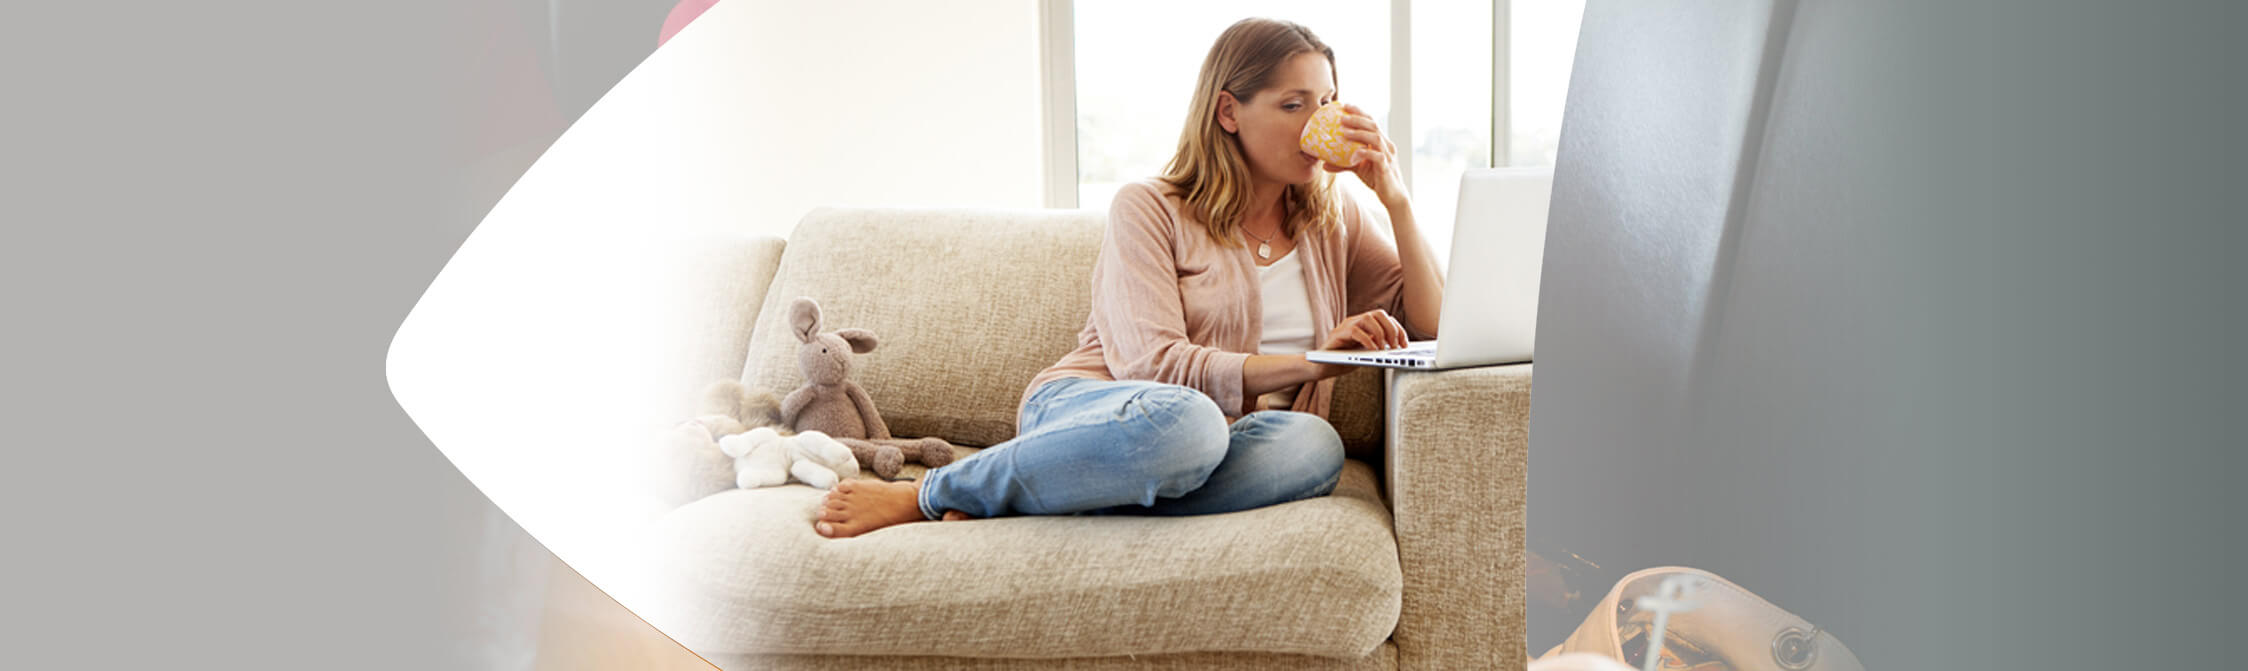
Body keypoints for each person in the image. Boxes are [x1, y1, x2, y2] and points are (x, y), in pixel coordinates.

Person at [815, 17, 1444, 538]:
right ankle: (934, 491)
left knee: (1313, 447)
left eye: (1328, 101)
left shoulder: (1331, 221)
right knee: (1190, 424)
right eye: (1293, 103)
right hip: (1103, 413)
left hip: (1224, 442)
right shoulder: (1149, 207)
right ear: (1229, 111)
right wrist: (1312, 363)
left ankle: (1047, 494)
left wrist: (1397, 200)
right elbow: (1155, 366)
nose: (1317, 122)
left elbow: (1434, 324)